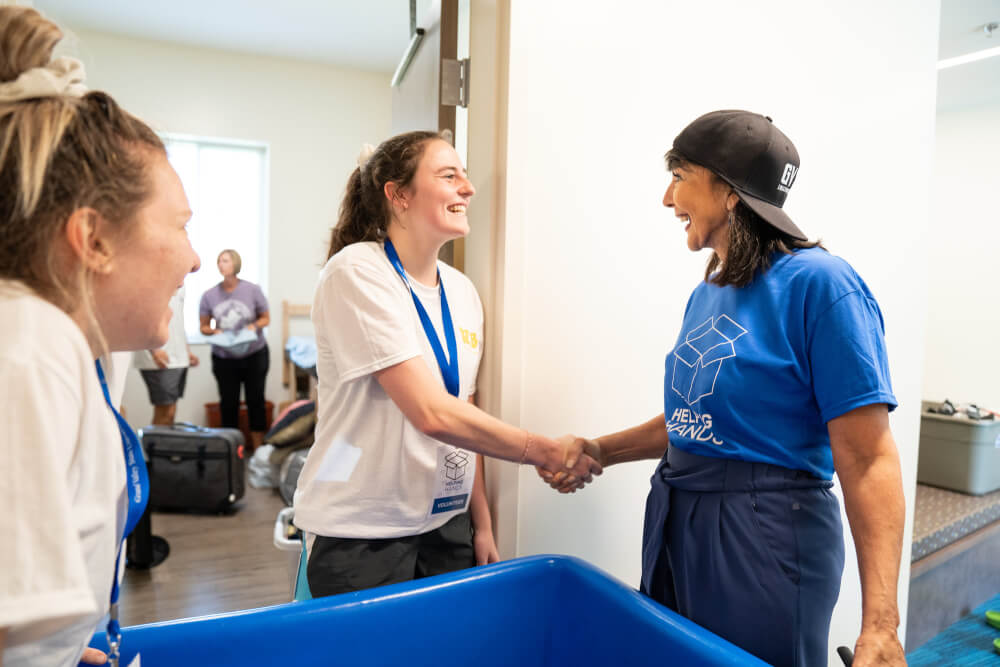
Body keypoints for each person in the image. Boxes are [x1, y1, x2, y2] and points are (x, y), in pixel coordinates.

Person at [543, 111, 907, 667]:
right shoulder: (710, 289)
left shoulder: (823, 286)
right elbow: (698, 420)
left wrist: (880, 624)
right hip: (678, 517)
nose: (668, 198)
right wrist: (602, 450)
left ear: (730, 192)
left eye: (680, 174)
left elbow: (868, 459)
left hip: (764, 535)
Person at [294, 132, 601, 597]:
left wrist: (480, 523)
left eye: (464, 174)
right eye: (448, 175)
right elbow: (431, 413)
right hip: (362, 532)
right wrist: (545, 451)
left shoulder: (461, 292)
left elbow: (463, 413)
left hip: (445, 527)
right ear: (398, 195)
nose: (468, 187)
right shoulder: (356, 271)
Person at [0, 7, 200, 666]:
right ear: (94, 239)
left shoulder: (65, 346)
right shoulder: (30, 345)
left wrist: (62, 650)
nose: (193, 259)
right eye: (179, 225)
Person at [199, 249, 270, 451]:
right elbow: (203, 327)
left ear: (235, 264)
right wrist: (214, 331)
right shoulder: (209, 295)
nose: (222, 264)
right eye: (219, 261)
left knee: (255, 401)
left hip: (254, 354)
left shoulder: (252, 290)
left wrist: (254, 326)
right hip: (224, 358)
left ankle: (258, 452)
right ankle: (232, 452)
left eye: (226, 261)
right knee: (228, 404)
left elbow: (266, 318)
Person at [134, 286, 199, 425]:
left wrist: (186, 350)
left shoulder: (181, 281)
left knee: (171, 410)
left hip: (179, 355)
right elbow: (142, 312)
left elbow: (178, 319)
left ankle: (164, 445)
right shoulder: (152, 274)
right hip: (158, 356)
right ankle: (154, 446)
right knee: (164, 410)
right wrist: (154, 349)